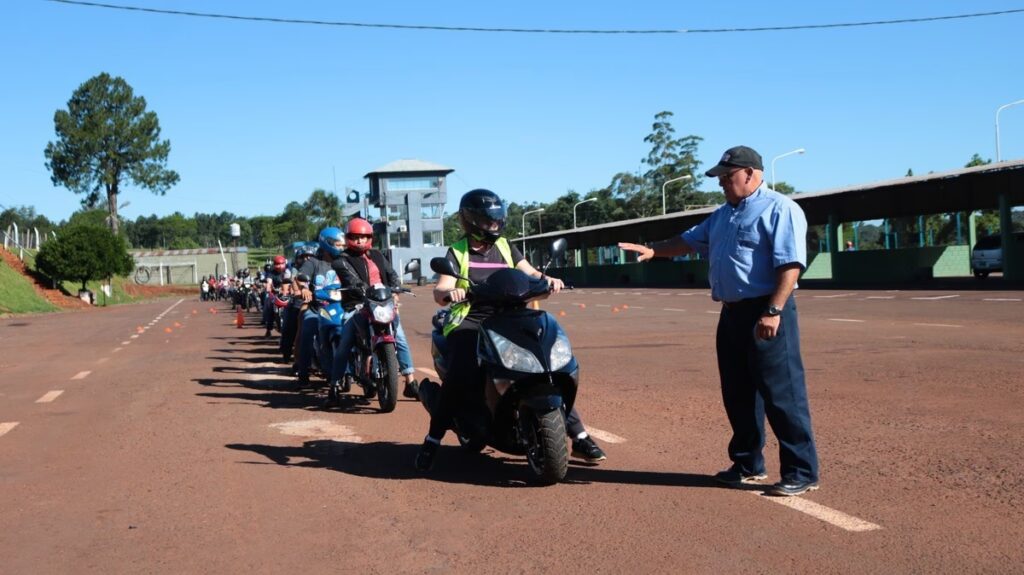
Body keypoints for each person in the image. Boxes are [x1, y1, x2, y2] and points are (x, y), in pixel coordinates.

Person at [619, 145, 820, 496]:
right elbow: (688, 241)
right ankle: (747, 463)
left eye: (727, 177)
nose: (722, 184)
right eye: (720, 179)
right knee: (738, 393)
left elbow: (790, 265)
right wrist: (653, 250)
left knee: (782, 393)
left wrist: (773, 311)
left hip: (767, 310)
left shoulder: (780, 209)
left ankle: (801, 471)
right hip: (731, 313)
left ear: (751, 174)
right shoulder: (723, 215)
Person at [415, 188, 607, 471]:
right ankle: (433, 439)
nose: (495, 226)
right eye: (489, 221)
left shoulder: (506, 246)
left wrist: (549, 279)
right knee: (460, 374)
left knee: (548, 368)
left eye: (497, 220)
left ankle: (578, 436)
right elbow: (442, 286)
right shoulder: (458, 251)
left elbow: (529, 273)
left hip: (510, 315)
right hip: (472, 319)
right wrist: (449, 293)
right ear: (472, 221)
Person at [329, 217, 420, 400]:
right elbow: (351, 280)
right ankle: (335, 385)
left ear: (370, 237)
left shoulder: (378, 255)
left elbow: (391, 275)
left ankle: (410, 382)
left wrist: (395, 290)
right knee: (345, 341)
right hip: (357, 306)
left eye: (364, 236)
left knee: (400, 337)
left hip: (383, 303)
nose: (360, 240)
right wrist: (361, 289)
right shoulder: (342, 260)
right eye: (355, 236)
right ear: (348, 238)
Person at [262, 255, 290, 338]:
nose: (280, 266)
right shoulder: (271, 273)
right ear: (274, 265)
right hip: (274, 294)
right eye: (277, 264)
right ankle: (268, 329)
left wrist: (286, 290)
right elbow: (269, 281)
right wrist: (268, 287)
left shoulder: (287, 272)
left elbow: (288, 281)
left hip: (286, 294)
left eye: (281, 264)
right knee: (269, 307)